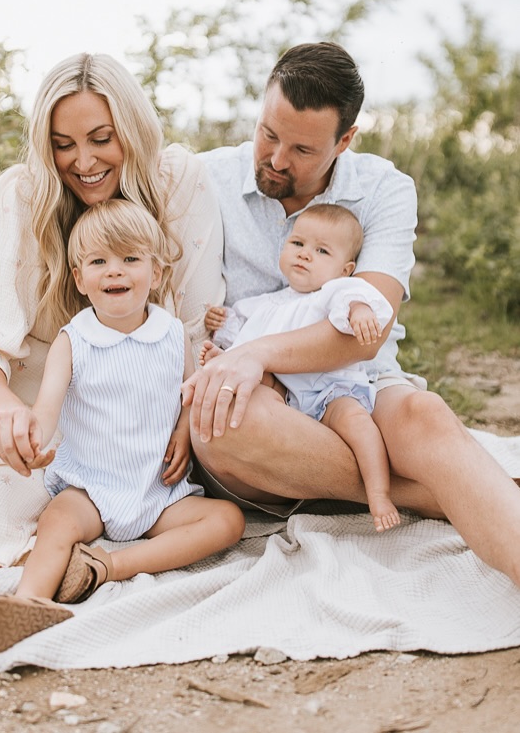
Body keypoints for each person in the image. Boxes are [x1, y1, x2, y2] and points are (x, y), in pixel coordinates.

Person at [0, 53, 225, 567]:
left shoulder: (179, 181)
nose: (84, 162)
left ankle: (83, 541)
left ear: (133, 131)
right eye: (63, 145)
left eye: (101, 138)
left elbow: (194, 326)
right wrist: (3, 410)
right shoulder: (21, 194)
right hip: (24, 372)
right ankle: (61, 536)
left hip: (141, 386)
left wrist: (177, 422)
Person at [184, 41, 520, 588]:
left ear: (344, 141)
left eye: (301, 149)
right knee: (219, 419)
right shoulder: (203, 180)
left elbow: (367, 334)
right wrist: (241, 363)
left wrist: (255, 353)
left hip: (352, 381)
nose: (275, 159)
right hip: (260, 405)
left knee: (426, 415)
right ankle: (431, 494)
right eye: (268, 134)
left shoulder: (386, 189)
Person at [0, 200, 244, 652]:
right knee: (57, 519)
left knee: (227, 520)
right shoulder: (73, 340)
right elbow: (46, 410)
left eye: (130, 259)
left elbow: (185, 395)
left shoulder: (173, 332)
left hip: (159, 492)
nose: (114, 272)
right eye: (99, 261)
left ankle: (106, 566)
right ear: (80, 279)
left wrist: (182, 431)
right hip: (91, 489)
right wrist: (34, 440)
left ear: (156, 273)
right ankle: (29, 602)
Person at [201, 203, 400, 533]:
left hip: (330, 390)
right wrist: (219, 337)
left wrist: (361, 311)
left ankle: (378, 493)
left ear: (344, 269)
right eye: (298, 244)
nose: (305, 254)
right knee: (253, 385)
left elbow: (355, 299)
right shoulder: (265, 302)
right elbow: (244, 342)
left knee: (358, 424)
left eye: (322, 250)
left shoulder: (331, 293)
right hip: (287, 399)